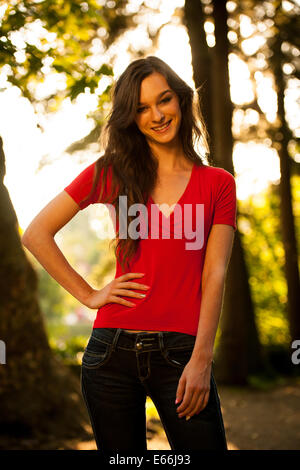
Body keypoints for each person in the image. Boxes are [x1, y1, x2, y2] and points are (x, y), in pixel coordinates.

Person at [21, 56, 237, 452]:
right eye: (141, 108)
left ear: (182, 101)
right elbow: (36, 233)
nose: (156, 115)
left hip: (182, 355)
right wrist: (88, 295)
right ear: (131, 118)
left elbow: (215, 274)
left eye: (164, 100)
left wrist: (202, 357)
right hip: (110, 355)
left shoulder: (218, 184)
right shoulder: (111, 172)